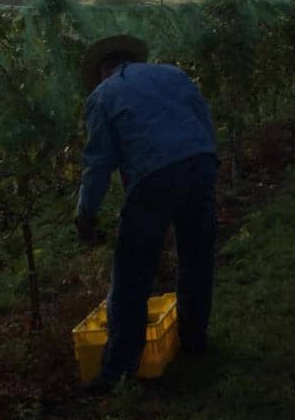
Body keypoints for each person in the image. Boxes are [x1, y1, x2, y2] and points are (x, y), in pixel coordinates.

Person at [75, 33, 218, 390]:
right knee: (196, 259)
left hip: (155, 178)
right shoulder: (173, 74)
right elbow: (204, 120)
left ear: (103, 70)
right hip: (200, 162)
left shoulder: (103, 96)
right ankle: (195, 341)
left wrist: (85, 215)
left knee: (131, 276)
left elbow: (98, 163)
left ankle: (117, 372)